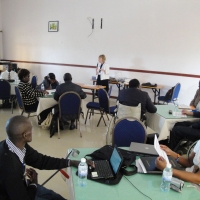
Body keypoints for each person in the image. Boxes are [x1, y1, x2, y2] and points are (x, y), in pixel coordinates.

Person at [0, 115, 89, 200]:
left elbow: (41, 160)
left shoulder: (15, 144)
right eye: (31, 129)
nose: (33, 131)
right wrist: (34, 183)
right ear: (25, 135)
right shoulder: (10, 169)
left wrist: (70, 162)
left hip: (22, 187)